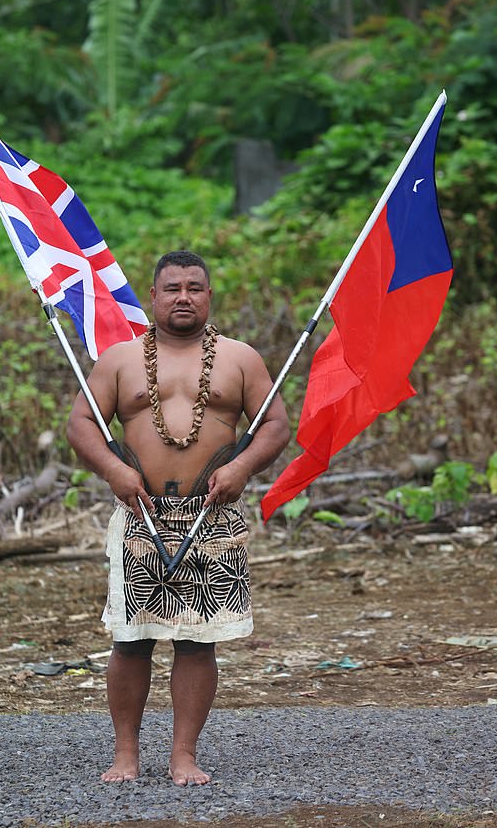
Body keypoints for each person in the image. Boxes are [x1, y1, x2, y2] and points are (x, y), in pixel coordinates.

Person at [67, 250, 289, 786]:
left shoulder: (240, 358)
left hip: (211, 512)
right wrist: (114, 474)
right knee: (131, 638)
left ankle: (183, 755)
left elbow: (277, 425)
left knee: (197, 641)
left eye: (194, 287)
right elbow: (80, 425)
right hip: (138, 510)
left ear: (209, 296)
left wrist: (240, 468)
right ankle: (126, 754)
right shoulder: (120, 359)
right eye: (172, 288)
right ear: (154, 296)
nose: (184, 296)